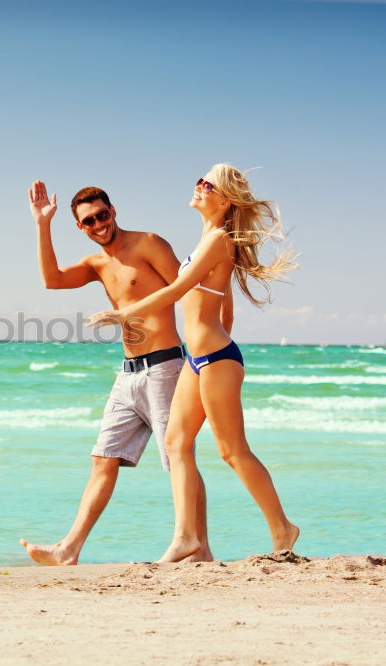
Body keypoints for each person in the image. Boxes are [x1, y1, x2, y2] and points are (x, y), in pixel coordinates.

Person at [88, 164, 300, 562]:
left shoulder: (219, 239)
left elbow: (177, 290)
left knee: (232, 450)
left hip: (217, 360)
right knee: (176, 443)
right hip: (197, 358)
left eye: (208, 185)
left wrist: (121, 315)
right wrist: (205, 340)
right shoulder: (206, 238)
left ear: (224, 200)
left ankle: (283, 528)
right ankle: (189, 540)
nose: (199, 187)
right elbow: (220, 304)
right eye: (199, 181)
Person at [19, 180, 221, 565]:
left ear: (113, 211)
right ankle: (68, 549)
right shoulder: (97, 264)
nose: (98, 225)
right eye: (88, 222)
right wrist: (42, 225)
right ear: (80, 228)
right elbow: (52, 280)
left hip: (166, 368)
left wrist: (206, 338)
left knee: (180, 458)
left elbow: (185, 286)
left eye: (102, 215)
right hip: (127, 375)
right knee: (103, 458)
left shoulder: (148, 243)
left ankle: (199, 547)